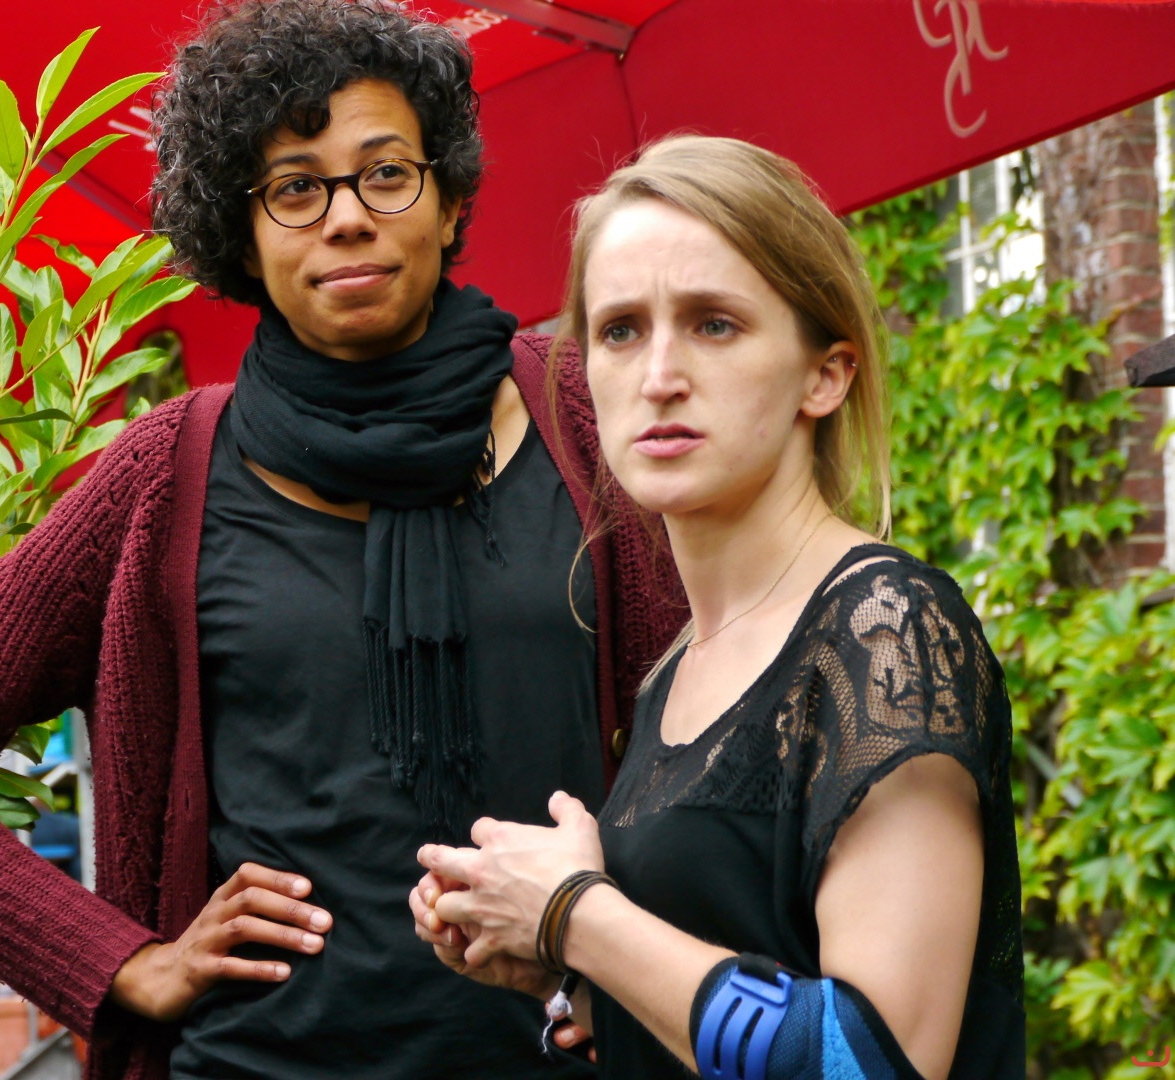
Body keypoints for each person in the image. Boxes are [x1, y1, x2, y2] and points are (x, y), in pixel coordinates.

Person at [0, 1, 683, 1077]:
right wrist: (118, 961)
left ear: (451, 196)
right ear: (243, 233)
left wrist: (641, 958)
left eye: (386, 173)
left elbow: (730, 709)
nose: (347, 218)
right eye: (294, 189)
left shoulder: (587, 418)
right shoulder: (165, 473)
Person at [412, 135, 1024, 1080]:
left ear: (826, 374)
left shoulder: (885, 629)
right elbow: (739, 962)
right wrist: (563, 969)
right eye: (621, 330)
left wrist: (576, 911)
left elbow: (874, 1062)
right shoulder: (679, 665)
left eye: (714, 324)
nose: (659, 374)